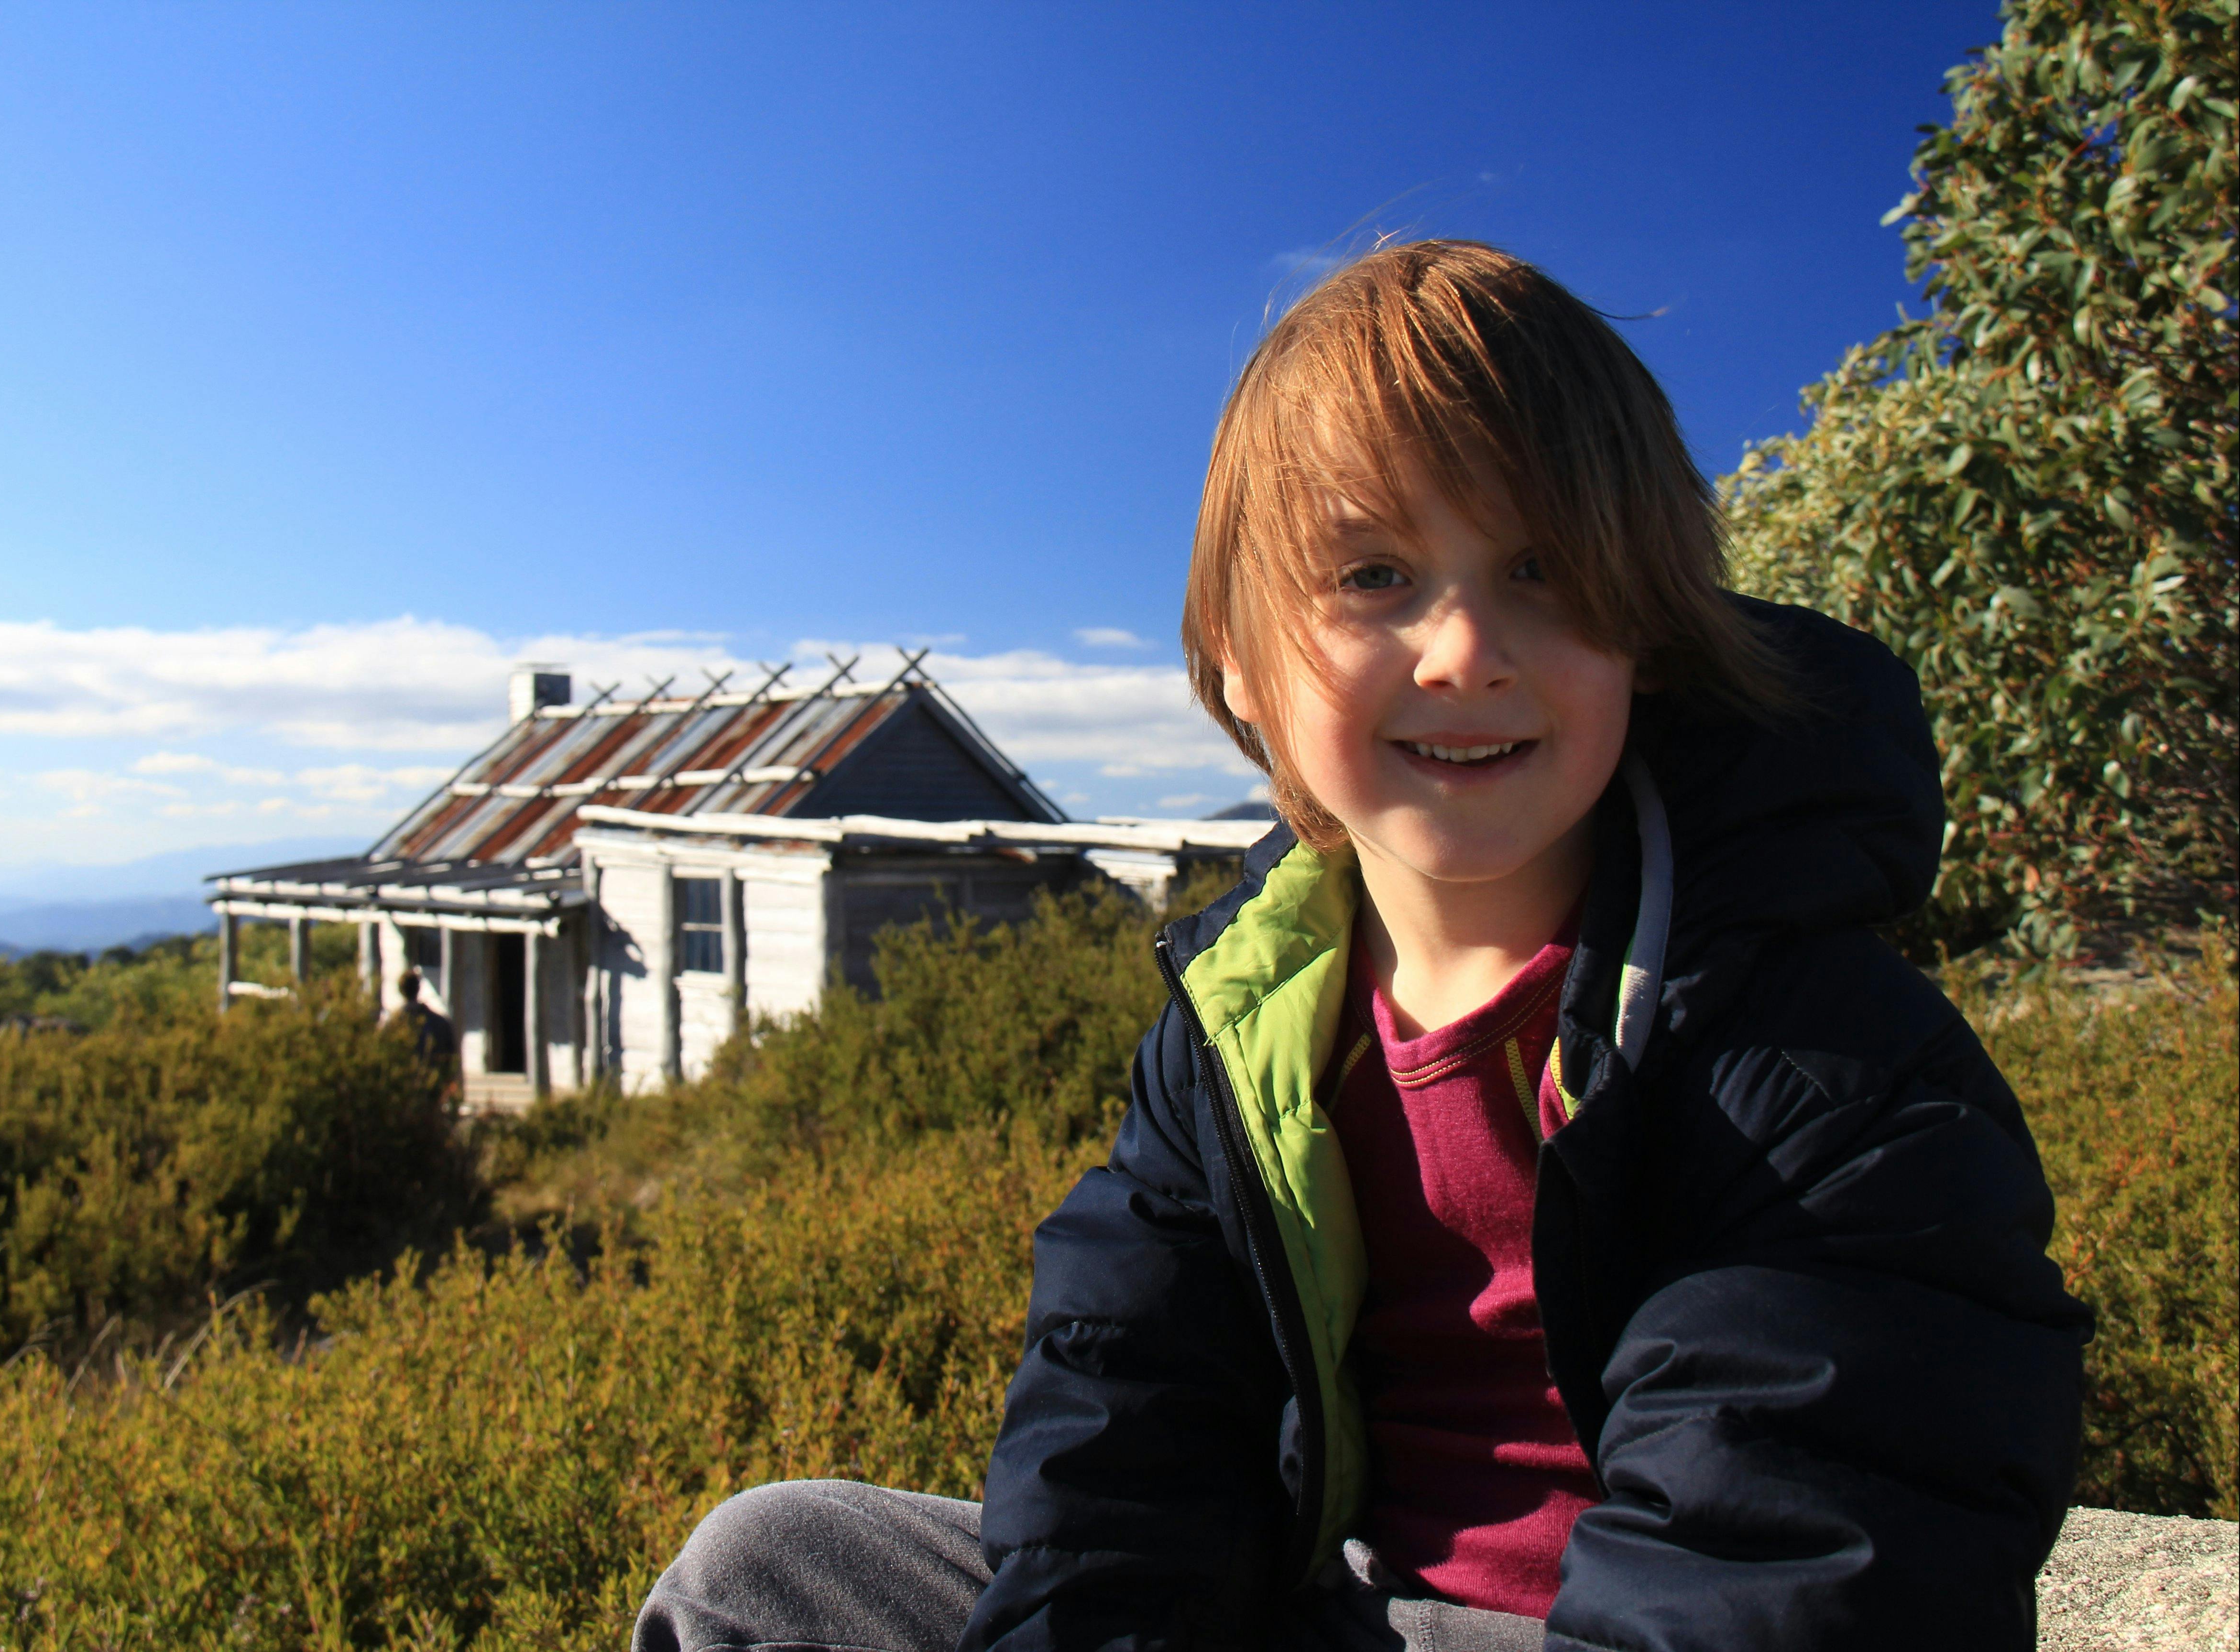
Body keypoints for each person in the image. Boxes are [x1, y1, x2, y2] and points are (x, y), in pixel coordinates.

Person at [632, 242, 2090, 1652]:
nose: (1464, 650)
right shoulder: (1246, 1026)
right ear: (1244, 672)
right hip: (1323, 1599)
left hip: (1582, 1624)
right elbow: (1131, 1445)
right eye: (1373, 577)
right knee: (767, 1569)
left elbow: (1778, 1563)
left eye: (1543, 568)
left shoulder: (1810, 1066)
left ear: (1645, 635)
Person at [391, 968, 459, 1104]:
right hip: (433, 1087)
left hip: (404, 1092)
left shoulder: (394, 1025)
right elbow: (452, 1058)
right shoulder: (439, 1022)